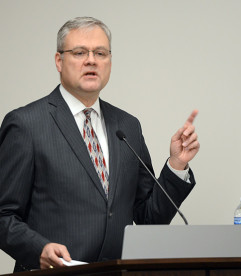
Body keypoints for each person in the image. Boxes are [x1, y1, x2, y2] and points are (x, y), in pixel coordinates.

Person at [0, 17, 200, 272]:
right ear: (59, 61)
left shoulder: (127, 126)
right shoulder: (26, 124)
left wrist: (177, 164)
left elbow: (149, 218)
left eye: (100, 53)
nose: (91, 60)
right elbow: (3, 215)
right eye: (80, 52)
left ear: (110, 62)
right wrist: (38, 248)